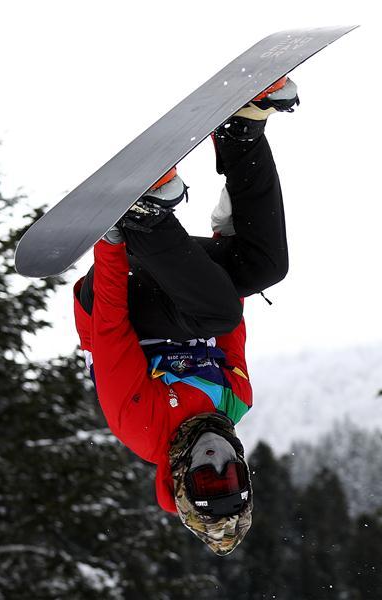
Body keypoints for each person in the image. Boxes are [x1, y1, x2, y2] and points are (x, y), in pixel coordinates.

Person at [71, 77, 298, 555]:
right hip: (175, 292)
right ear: (242, 466)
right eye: (230, 475)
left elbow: (109, 329)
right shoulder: (234, 400)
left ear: (180, 480)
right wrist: (227, 252)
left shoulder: (143, 428)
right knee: (266, 268)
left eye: (206, 481)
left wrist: (112, 243)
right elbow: (232, 313)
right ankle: (241, 133)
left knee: (214, 312)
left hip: (115, 298)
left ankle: (145, 213)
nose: (216, 463)